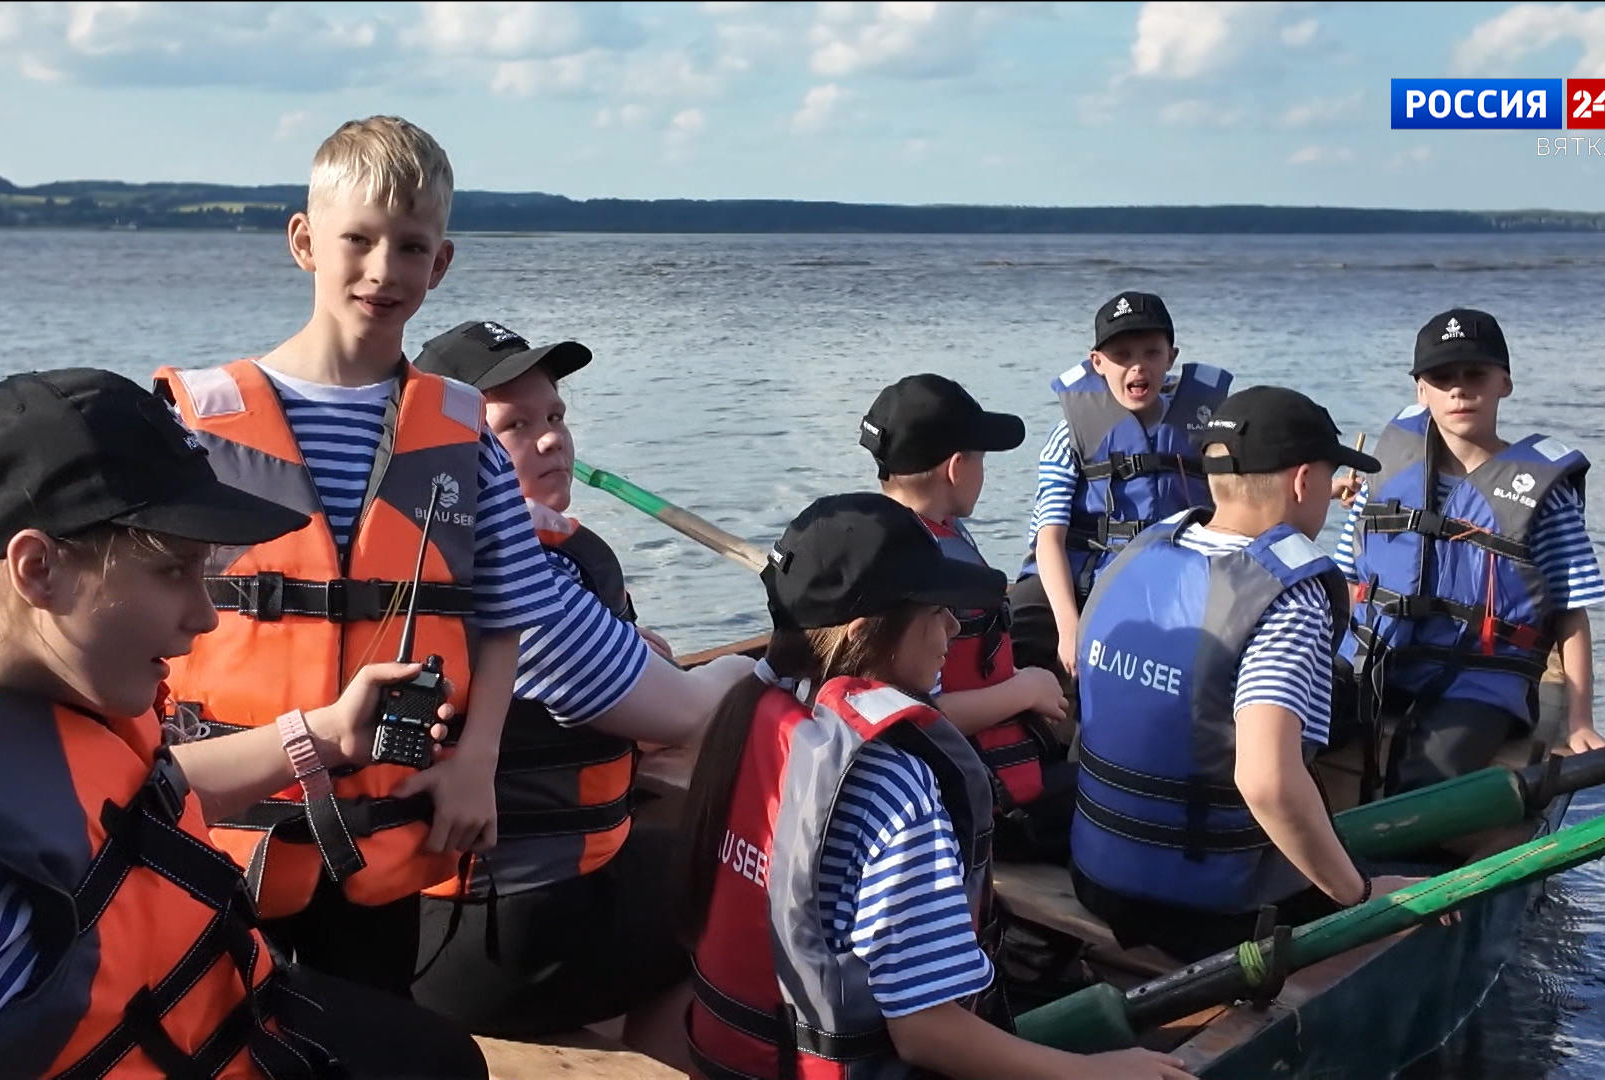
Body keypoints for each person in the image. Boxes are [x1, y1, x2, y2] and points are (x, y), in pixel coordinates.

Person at [0, 368, 489, 1079]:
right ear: (38, 568)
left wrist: (328, 735)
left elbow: (135, 800)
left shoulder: (20, 702)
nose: (206, 616)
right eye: (174, 570)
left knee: (439, 1057)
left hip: (222, 1023)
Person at [148, 116, 573, 996]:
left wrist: (477, 764)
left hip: (384, 820)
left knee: (367, 1030)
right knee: (207, 1024)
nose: (385, 270)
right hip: (223, 814)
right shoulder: (195, 425)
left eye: (411, 247)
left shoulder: (464, 435)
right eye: (359, 240)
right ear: (305, 242)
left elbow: (502, 619)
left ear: (440, 263)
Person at [677, 492, 1195, 1080]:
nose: (953, 625)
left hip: (730, 1062)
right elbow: (926, 1033)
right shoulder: (893, 783)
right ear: (865, 633)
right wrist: (1097, 1073)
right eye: (936, 610)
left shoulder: (754, 713)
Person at [407, 319, 752, 1050]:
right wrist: (753, 668)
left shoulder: (410, 560)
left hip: (411, 920)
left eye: (556, 417)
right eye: (515, 426)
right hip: (496, 939)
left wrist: (628, 659)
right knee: (746, 871)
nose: (551, 441)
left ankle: (643, 1048)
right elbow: (690, 715)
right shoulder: (522, 579)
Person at [1067, 386, 1427, 964]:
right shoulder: (1289, 596)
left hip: (1096, 874)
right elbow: (1266, 781)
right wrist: (1360, 896)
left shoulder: (1142, 550)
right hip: (1213, 909)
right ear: (1304, 482)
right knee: (1415, 877)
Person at [1334, 308, 1605, 797]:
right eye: (1442, 378)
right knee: (1292, 720)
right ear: (1421, 391)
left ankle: (1405, 845)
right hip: (1379, 655)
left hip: (1481, 678)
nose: (1459, 390)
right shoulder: (1384, 475)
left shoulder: (1544, 497)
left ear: (1505, 383)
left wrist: (1580, 721)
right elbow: (1344, 579)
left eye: (1475, 374)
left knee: (1427, 774)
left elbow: (1571, 610)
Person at [860, 373, 1075, 863]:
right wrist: (1025, 691)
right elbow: (917, 714)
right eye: (981, 459)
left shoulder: (889, 539)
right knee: (1120, 799)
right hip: (984, 807)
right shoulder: (928, 575)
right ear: (957, 468)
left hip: (967, 782)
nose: (983, 472)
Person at [1009, 291, 1232, 680]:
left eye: (1151, 353)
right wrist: (1069, 628)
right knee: (1020, 630)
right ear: (1097, 362)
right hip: (1081, 577)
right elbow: (1048, 539)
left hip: (1171, 576)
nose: (1138, 366)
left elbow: (1246, 496)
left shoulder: (1205, 429)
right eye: (1122, 355)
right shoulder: (1070, 434)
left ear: (1171, 357)